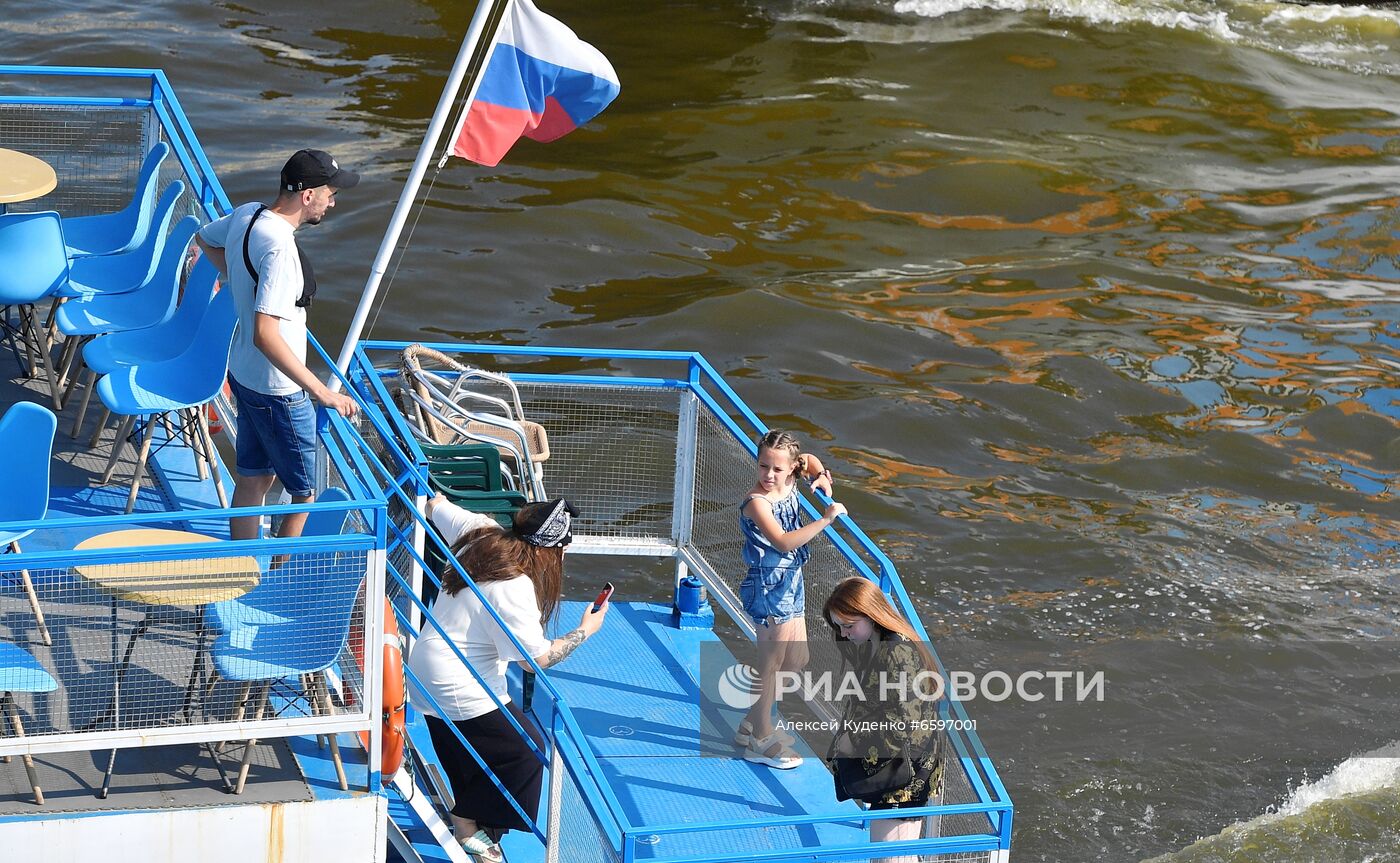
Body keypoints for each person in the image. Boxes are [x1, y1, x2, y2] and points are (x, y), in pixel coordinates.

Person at [408, 493, 609, 862]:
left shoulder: (480, 531)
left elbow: (435, 506)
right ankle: (467, 821)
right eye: (562, 550)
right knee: (527, 753)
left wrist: (434, 498)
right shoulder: (515, 586)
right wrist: (586, 630)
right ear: (548, 550)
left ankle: (471, 828)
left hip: (424, 668)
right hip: (459, 682)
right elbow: (537, 660)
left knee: (463, 747)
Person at [194, 148, 359, 543]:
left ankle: (241, 563)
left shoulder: (249, 214)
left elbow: (203, 237)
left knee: (253, 479)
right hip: (279, 391)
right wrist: (322, 392)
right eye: (330, 194)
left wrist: (240, 278)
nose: (333, 203)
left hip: (243, 374)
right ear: (308, 195)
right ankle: (281, 574)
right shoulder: (281, 249)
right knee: (304, 492)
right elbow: (265, 334)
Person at [736, 429, 845, 769]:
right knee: (771, 661)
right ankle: (760, 739)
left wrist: (822, 477)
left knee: (797, 659)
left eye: (777, 469)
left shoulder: (794, 474)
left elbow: (809, 460)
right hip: (768, 585)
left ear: (790, 468)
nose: (769, 475)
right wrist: (825, 519)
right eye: (763, 466)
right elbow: (783, 541)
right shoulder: (757, 502)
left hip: (791, 581)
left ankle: (752, 721)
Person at [823, 577, 945, 863]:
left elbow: (905, 723)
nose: (844, 634)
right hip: (894, 763)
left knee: (891, 858)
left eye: (849, 625)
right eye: (839, 626)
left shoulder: (898, 654)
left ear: (871, 614)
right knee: (893, 856)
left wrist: (854, 741)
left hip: (906, 772)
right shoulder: (874, 642)